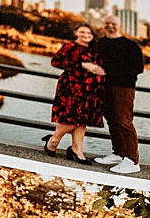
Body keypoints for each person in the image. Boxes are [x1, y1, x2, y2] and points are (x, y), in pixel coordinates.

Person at [91, 14, 146, 175]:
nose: (110, 26)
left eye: (113, 23)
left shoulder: (131, 45)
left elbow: (138, 68)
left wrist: (110, 73)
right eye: (107, 23)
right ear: (103, 25)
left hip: (123, 87)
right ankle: (118, 153)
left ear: (119, 25)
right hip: (104, 87)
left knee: (124, 121)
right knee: (112, 120)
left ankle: (132, 160)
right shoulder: (100, 44)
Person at [44, 24, 107, 164]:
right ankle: (53, 140)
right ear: (76, 33)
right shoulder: (69, 47)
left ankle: (77, 149)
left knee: (82, 118)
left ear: (92, 35)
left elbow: (101, 65)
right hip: (71, 87)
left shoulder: (95, 49)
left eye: (88, 33)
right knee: (70, 117)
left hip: (90, 89)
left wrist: (101, 70)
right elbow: (56, 62)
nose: (85, 35)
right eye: (82, 32)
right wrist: (81, 65)